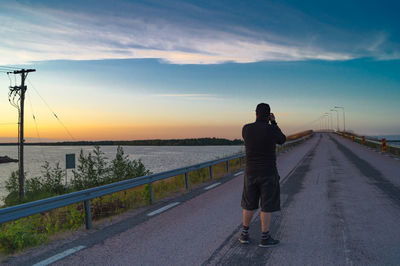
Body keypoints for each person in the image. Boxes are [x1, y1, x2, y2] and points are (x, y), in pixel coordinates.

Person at [239, 103, 286, 247]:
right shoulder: (272, 129)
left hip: (251, 172)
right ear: (269, 115)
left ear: (256, 113)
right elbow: (282, 140)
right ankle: (265, 238)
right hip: (268, 172)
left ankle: (244, 235)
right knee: (266, 205)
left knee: (249, 204)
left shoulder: (246, 129)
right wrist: (274, 122)